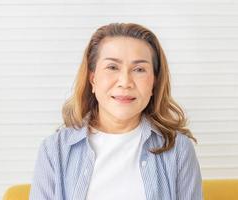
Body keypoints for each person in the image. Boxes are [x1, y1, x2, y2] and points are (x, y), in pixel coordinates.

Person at [29, 23, 203, 200]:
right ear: (93, 78)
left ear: (154, 83)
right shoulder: (54, 150)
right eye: (112, 67)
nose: (125, 82)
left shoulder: (178, 149)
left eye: (139, 69)